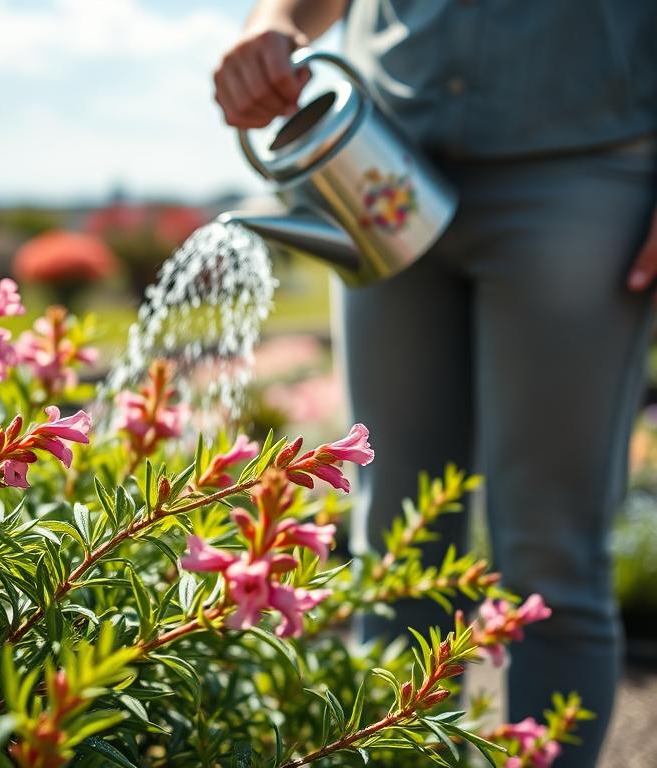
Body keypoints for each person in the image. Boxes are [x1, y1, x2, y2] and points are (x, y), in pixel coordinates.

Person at [213, 2, 657, 767]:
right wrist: (275, 23)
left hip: (584, 167)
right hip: (384, 157)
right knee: (394, 553)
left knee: (550, 557)